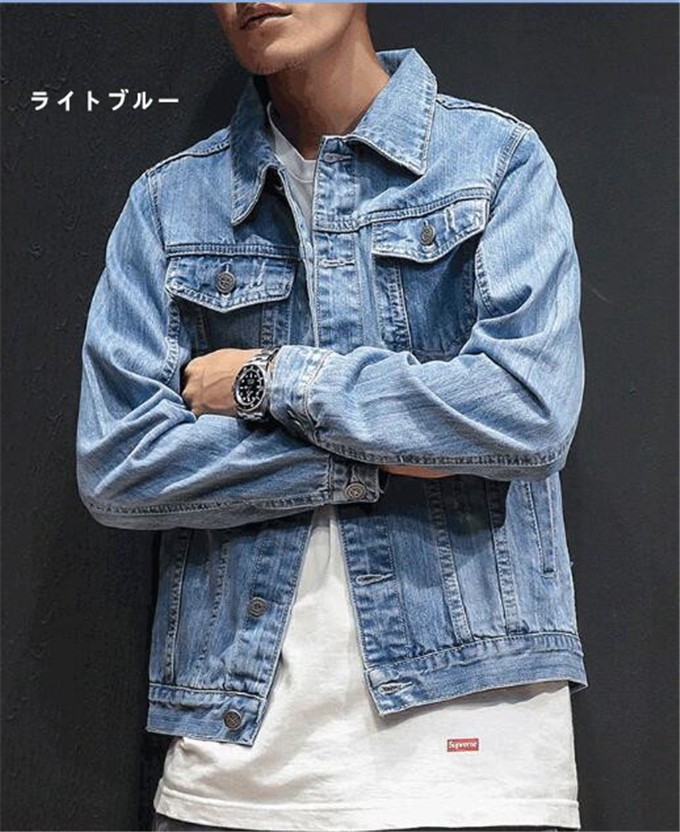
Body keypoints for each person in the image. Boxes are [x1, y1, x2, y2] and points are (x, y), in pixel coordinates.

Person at [75, 3, 588, 831]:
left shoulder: (493, 161)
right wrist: (387, 453)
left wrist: (269, 379)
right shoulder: (171, 204)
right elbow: (121, 465)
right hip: (236, 771)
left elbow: (527, 413)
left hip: (477, 753)